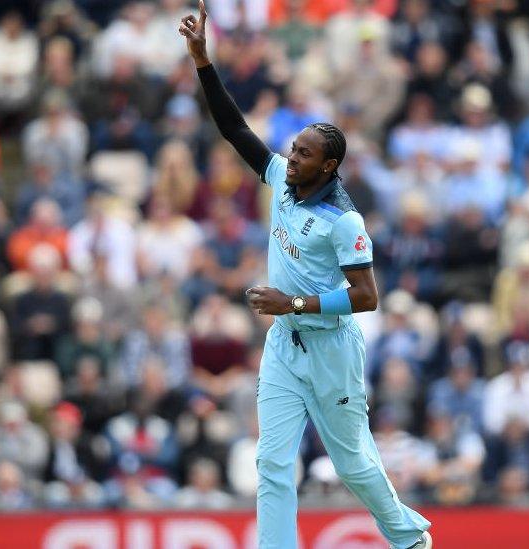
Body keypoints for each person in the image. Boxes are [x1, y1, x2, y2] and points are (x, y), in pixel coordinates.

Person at [178, 5, 433, 549]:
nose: (290, 160)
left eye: (304, 156)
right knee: (271, 459)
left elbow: (366, 297)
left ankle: (411, 538)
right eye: (293, 150)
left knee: (355, 466)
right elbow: (232, 127)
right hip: (284, 347)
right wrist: (203, 60)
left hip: (331, 350)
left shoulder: (345, 220)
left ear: (329, 167)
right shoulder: (280, 181)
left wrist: (291, 304)